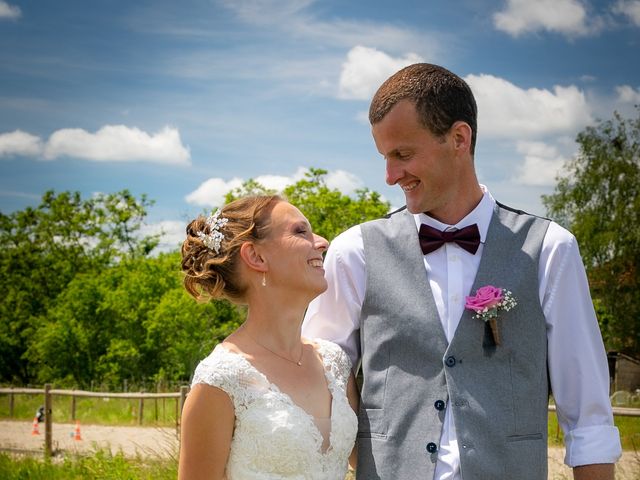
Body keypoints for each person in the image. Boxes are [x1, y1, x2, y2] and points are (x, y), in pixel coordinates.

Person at [302, 63, 621, 480]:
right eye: (385, 157)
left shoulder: (550, 250)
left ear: (459, 138)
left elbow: (588, 415)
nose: (390, 176)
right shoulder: (354, 252)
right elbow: (318, 377)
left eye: (403, 154)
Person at [178, 195, 359, 480]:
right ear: (256, 257)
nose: (322, 242)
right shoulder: (221, 379)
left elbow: (371, 461)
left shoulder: (334, 363)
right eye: (301, 231)